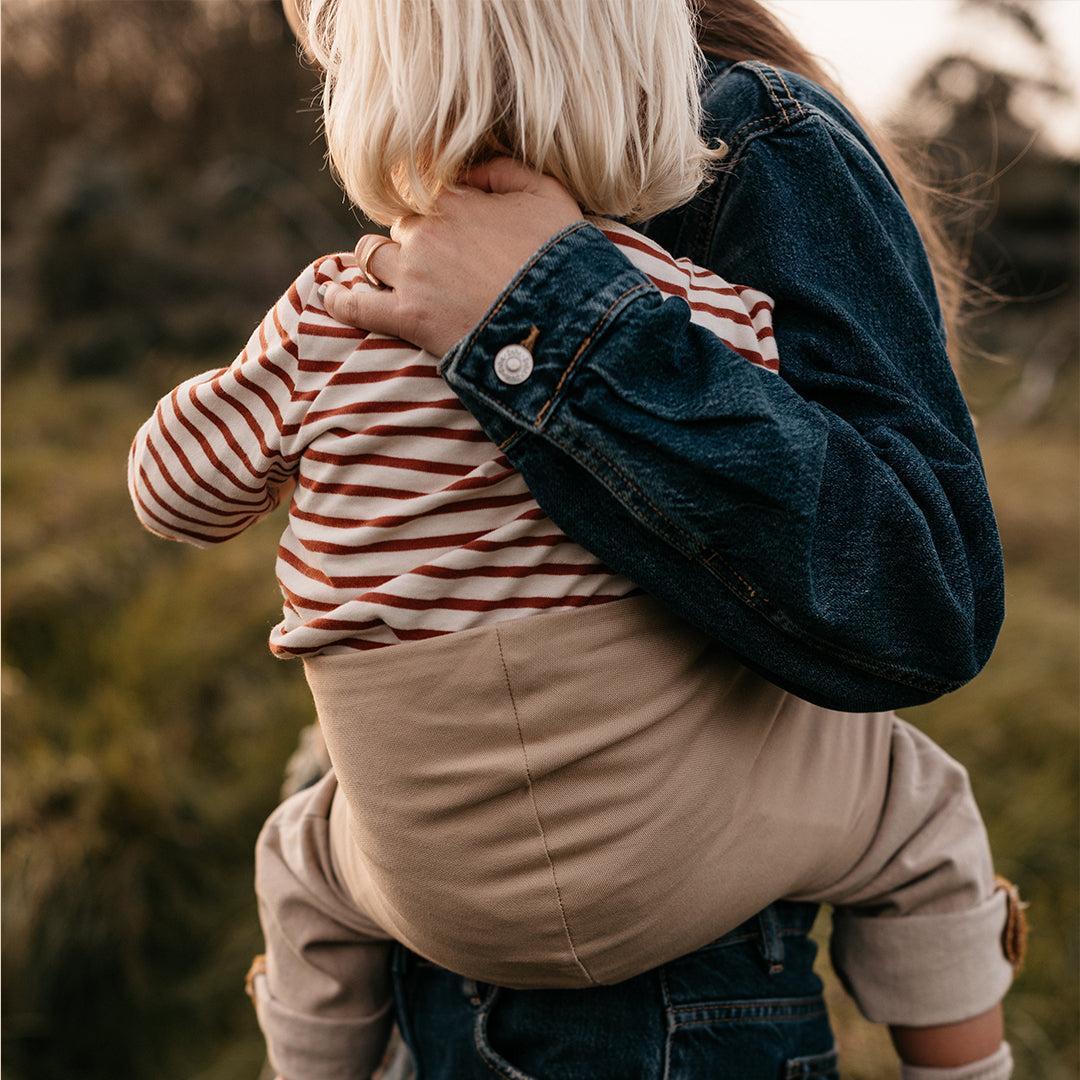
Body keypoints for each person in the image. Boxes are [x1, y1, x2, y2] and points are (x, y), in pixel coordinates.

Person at [125, 2, 1025, 1078]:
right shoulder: (712, 304)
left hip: (618, 987)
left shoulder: (738, 137)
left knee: (302, 850)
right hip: (593, 945)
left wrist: (533, 307)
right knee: (914, 807)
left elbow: (918, 591)